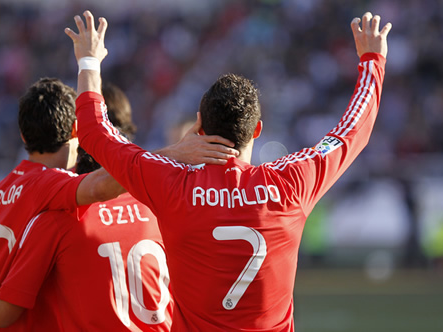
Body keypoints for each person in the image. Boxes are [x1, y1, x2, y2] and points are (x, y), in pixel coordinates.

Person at [66, 10, 391, 331]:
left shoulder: (171, 183)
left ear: (199, 127)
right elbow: (351, 132)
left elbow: (95, 132)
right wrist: (372, 60)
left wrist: (89, 62)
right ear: (258, 130)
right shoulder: (290, 182)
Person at [0, 77, 236, 330]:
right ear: (77, 129)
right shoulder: (56, 195)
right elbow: (102, 183)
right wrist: (172, 155)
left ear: (23, 136)